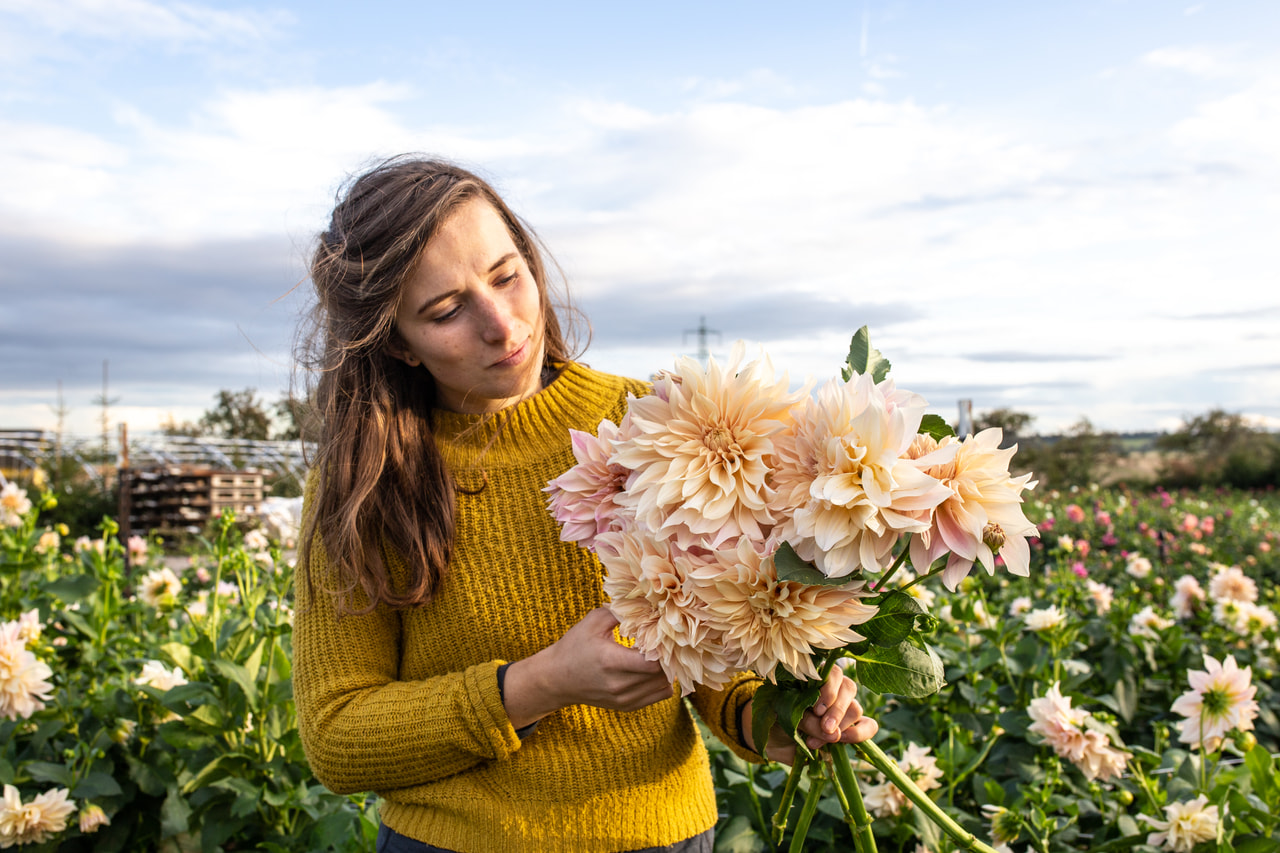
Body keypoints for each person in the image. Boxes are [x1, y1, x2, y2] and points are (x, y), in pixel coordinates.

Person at [291, 155, 879, 853]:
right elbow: (337, 737)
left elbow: (722, 661)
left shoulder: (656, 420)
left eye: (507, 276)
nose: (503, 325)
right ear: (399, 343)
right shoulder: (365, 481)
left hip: (663, 836)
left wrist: (780, 719)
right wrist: (538, 684)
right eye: (446, 311)